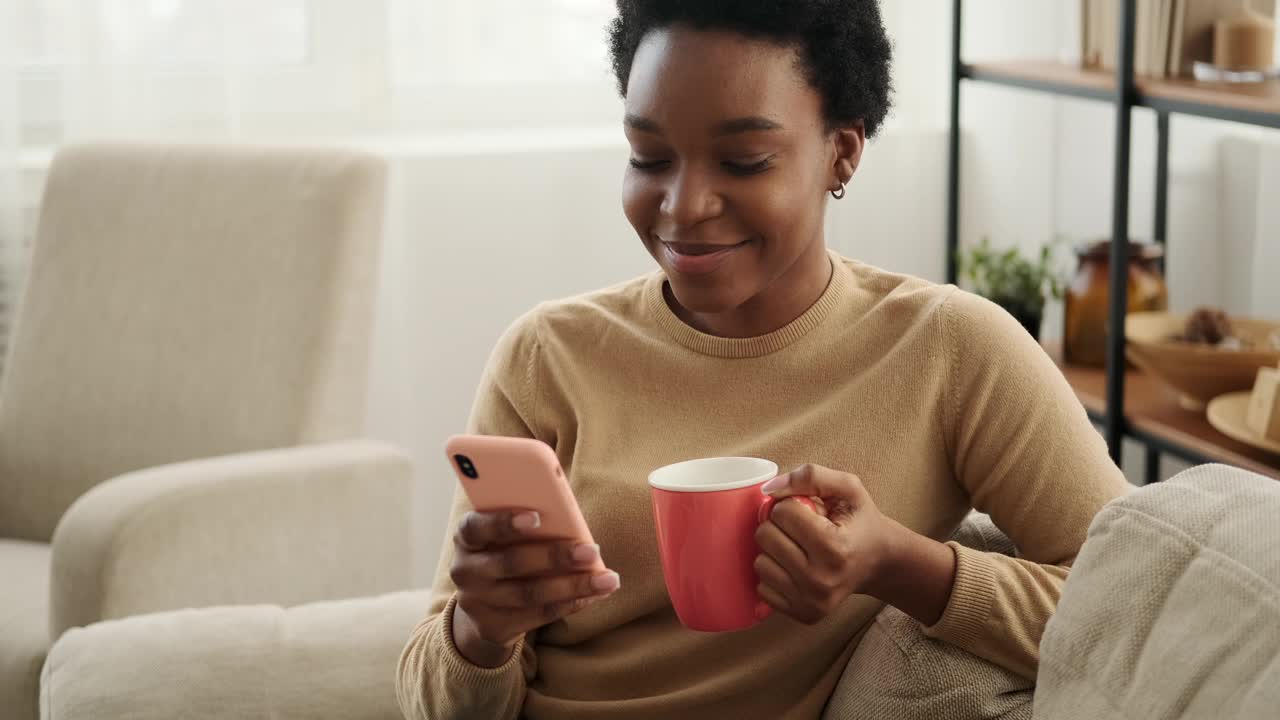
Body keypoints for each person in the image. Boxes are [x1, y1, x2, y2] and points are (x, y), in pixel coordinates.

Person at [397, 2, 1130, 718]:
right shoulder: (547, 356)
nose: (683, 207)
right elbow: (430, 699)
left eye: (744, 161)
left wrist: (898, 567)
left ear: (841, 151)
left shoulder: (949, 349)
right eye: (649, 157)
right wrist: (481, 630)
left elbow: (1134, 608)